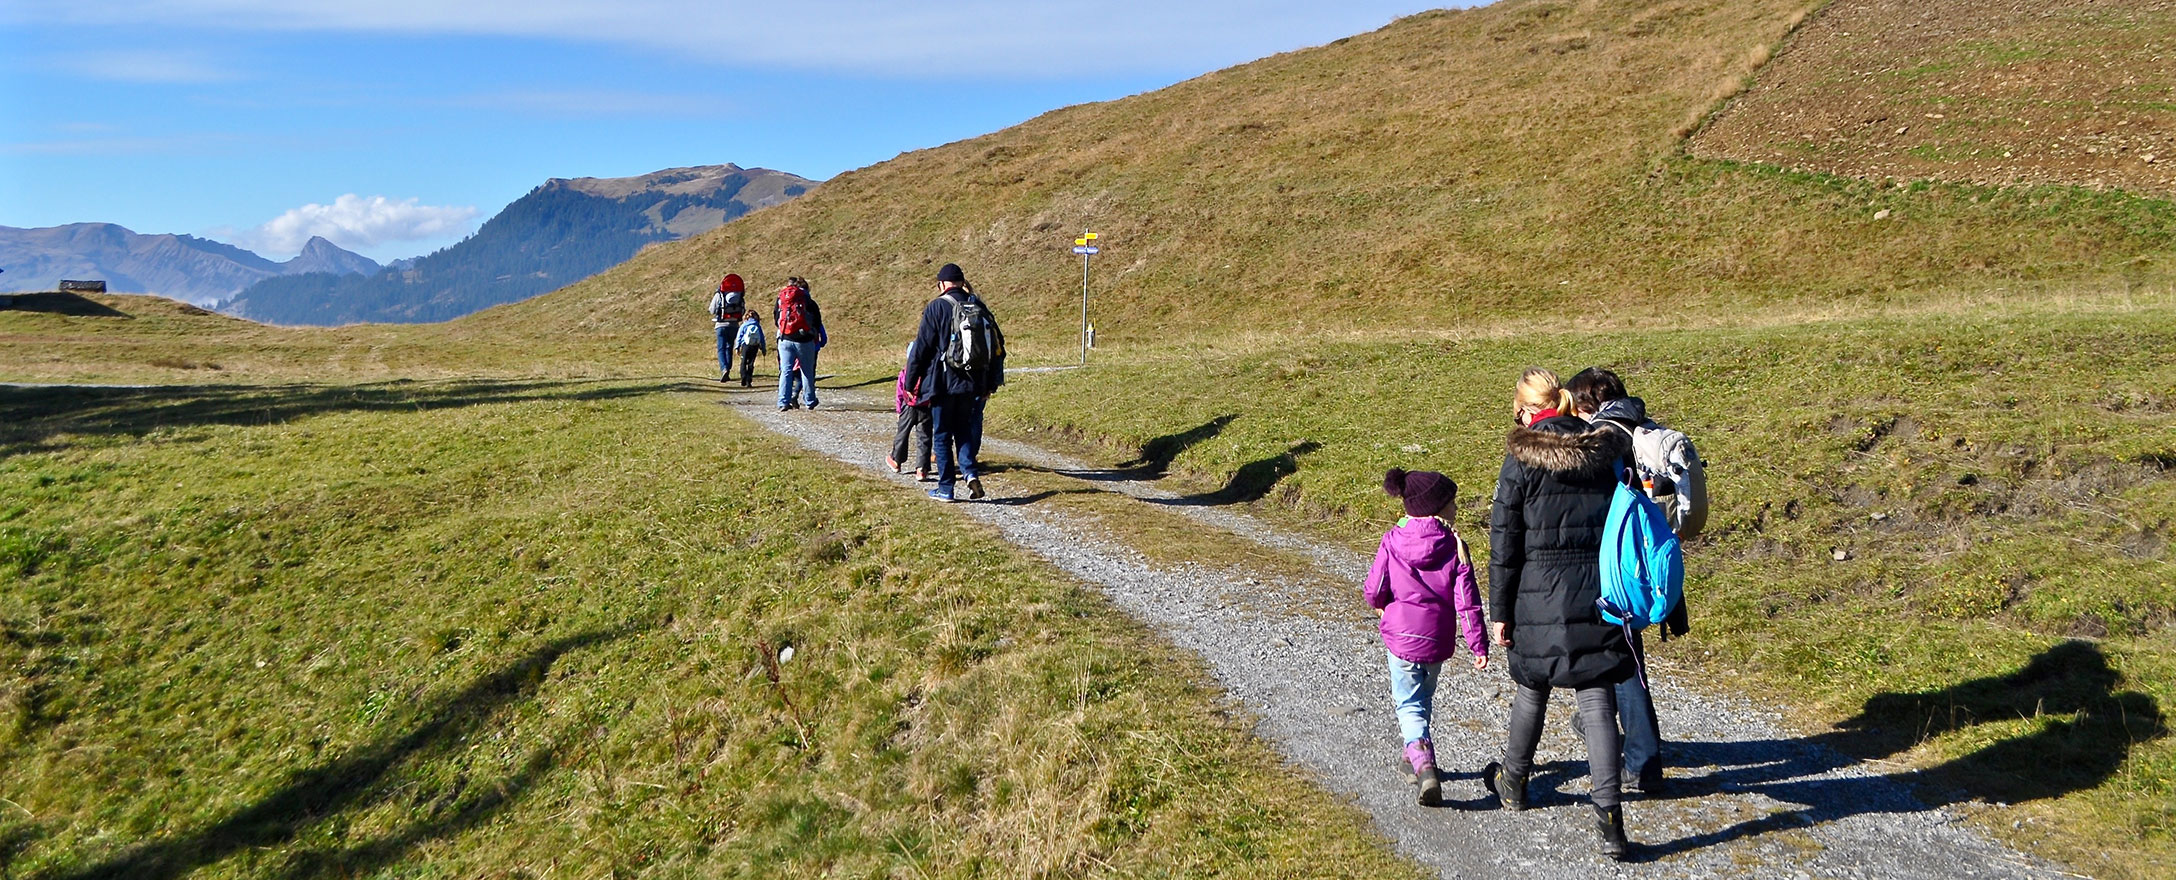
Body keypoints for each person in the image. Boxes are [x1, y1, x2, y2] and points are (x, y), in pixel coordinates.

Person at [1481, 367, 1636, 860]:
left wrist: (1500, 611)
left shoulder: (1520, 459)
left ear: (1527, 410)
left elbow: (1504, 544)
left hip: (1537, 591)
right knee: (1597, 698)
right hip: (1599, 589)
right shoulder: (1602, 451)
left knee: (1533, 687)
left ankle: (1514, 782)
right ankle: (1610, 821)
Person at [1566, 366, 1689, 798]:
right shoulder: (1640, 428)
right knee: (1627, 656)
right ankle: (1611, 733)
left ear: (1586, 405)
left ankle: (1642, 760)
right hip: (1644, 560)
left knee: (1623, 662)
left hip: (1614, 565)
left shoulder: (1603, 438)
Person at [1364, 468, 1488, 807]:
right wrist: (1478, 643)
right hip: (1436, 639)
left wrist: (1380, 605)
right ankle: (1413, 755)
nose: (1456, 508)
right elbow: (1467, 601)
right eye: (1452, 503)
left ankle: (1423, 762)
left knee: (1408, 703)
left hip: (1401, 637)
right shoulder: (1455, 546)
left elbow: (1374, 588)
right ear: (1436, 508)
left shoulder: (1392, 540)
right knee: (1423, 698)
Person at [903, 263, 1004, 502]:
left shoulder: (936, 307)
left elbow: (921, 349)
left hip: (942, 383)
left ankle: (946, 488)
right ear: (961, 282)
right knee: (964, 431)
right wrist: (991, 382)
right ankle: (970, 474)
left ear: (941, 284)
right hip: (972, 382)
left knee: (942, 435)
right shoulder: (978, 306)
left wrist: (910, 382)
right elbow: (997, 345)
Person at [774, 277, 826, 411]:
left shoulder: (782, 299)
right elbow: (817, 322)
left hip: (785, 338)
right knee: (807, 371)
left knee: (785, 371)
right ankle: (810, 401)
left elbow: (776, 319)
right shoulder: (809, 301)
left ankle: (783, 402)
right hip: (804, 340)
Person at [889, 342, 934, 480]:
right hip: (925, 408)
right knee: (924, 438)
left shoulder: (905, 372)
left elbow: (899, 393)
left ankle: (896, 461)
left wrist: (899, 410)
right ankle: (922, 469)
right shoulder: (929, 372)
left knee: (902, 434)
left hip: (908, 407)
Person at [708, 273, 746, 382]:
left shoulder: (720, 295)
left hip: (721, 325)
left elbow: (712, 309)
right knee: (729, 348)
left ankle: (724, 369)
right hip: (734, 325)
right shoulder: (739, 295)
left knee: (721, 348)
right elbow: (743, 310)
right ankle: (728, 370)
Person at [733, 308, 767, 388]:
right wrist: (763, 348)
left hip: (745, 345)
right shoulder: (757, 325)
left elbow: (739, 336)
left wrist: (737, 347)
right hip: (755, 346)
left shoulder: (744, 325)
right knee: (751, 363)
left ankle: (743, 377)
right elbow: (762, 337)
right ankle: (749, 381)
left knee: (743, 362)